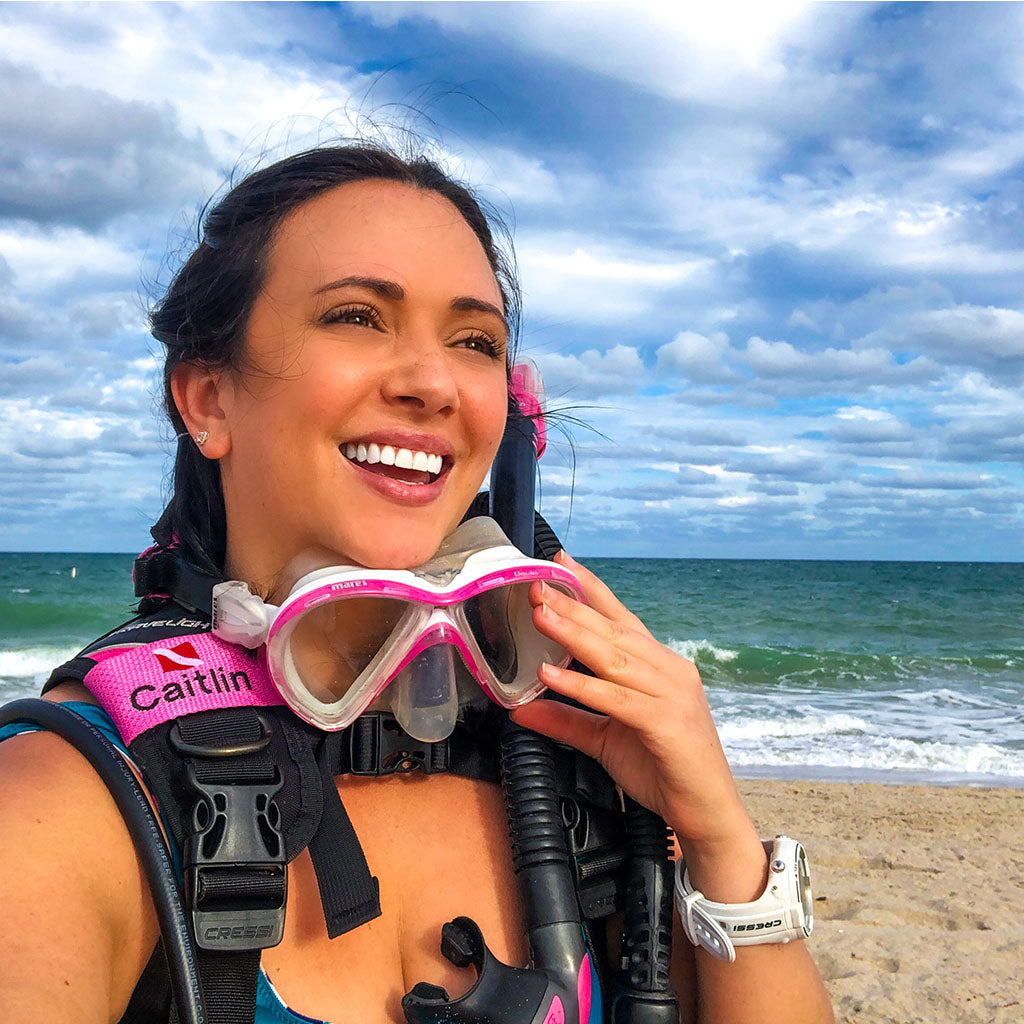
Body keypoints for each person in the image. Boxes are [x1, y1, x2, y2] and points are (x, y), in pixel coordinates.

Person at [0, 144, 834, 1024]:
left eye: (474, 342)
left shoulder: (575, 776)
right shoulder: (70, 799)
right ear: (207, 397)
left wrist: (719, 838)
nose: (435, 384)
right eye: (357, 316)